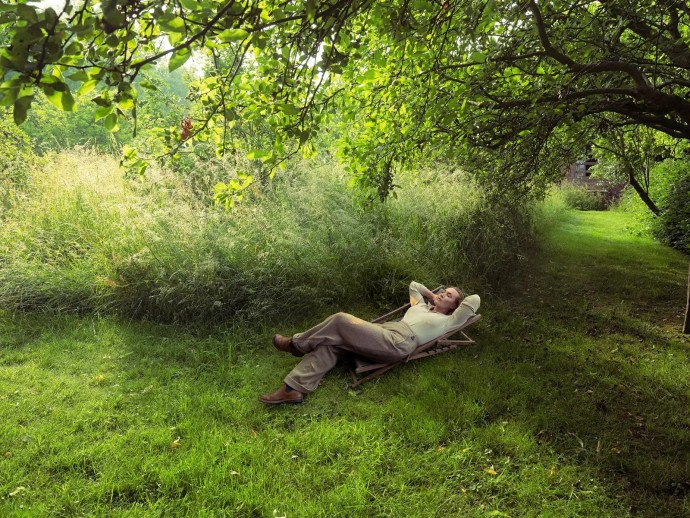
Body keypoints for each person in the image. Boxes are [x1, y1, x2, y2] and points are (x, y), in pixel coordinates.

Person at [259, 281, 481, 405]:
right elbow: (414, 285)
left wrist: (453, 300)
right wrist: (432, 297)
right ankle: (292, 389)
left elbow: (474, 300)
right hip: (384, 333)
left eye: (449, 295)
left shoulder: (448, 321)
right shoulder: (420, 306)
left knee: (340, 320)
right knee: (332, 344)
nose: (443, 294)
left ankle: (296, 344)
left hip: (399, 343)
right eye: (443, 291)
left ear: (455, 306)